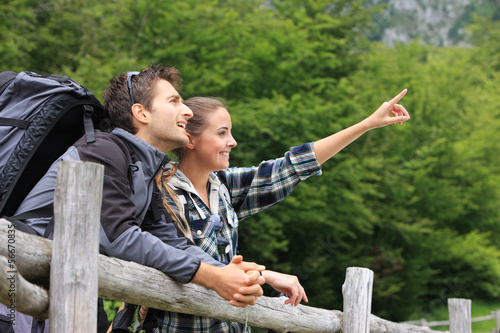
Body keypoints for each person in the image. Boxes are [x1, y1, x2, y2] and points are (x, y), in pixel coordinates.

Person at [0, 64, 266, 333]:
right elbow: (121, 238)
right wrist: (213, 276)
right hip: (19, 292)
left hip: (67, 289)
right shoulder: (102, 150)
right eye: (174, 101)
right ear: (141, 113)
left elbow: (175, 243)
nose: (187, 111)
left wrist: (233, 274)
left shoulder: (144, 170)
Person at [154, 90, 410, 332]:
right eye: (222, 133)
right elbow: (185, 262)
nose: (232, 142)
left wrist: (366, 124)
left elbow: (292, 167)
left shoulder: (223, 185)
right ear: (190, 140)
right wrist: (265, 275)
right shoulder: (161, 193)